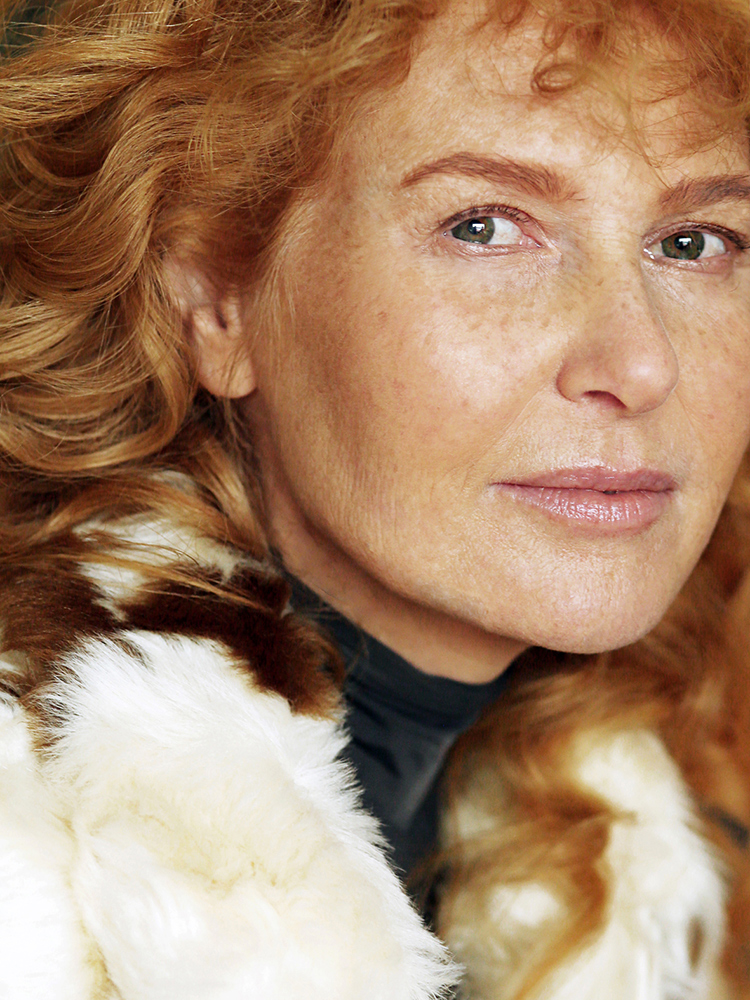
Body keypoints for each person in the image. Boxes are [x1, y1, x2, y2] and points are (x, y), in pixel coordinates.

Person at [1, 0, 750, 996]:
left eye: (696, 243)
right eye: (485, 227)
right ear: (214, 297)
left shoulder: (664, 856)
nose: (643, 364)